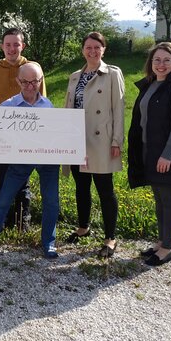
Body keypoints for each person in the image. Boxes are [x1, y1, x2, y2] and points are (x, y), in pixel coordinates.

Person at [0, 62, 60, 259]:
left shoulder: (49, 106)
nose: (30, 86)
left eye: (35, 81)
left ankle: (49, 243)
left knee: (52, 202)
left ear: (40, 81)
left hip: (48, 161)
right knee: (2, 201)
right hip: (20, 161)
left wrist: (74, 151)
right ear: (18, 81)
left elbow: (59, 136)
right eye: (25, 82)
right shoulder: (8, 106)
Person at [128, 42, 171, 266]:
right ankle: (161, 241)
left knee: (168, 198)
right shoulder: (152, 84)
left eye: (167, 60)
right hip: (151, 151)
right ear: (151, 63)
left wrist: (167, 155)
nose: (161, 64)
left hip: (169, 154)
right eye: (157, 60)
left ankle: (167, 248)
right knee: (158, 198)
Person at [63, 32, 125, 258]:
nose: (92, 51)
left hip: (101, 139)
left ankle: (110, 237)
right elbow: (68, 108)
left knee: (105, 189)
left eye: (97, 47)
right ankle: (83, 227)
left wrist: (117, 140)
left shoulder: (112, 74)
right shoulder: (74, 76)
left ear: (103, 50)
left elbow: (119, 109)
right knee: (81, 186)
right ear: (82, 50)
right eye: (88, 47)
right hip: (77, 138)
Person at [0, 28, 48, 231]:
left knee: (22, 180)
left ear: (22, 46)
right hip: (0, 136)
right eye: (7, 44)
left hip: (26, 136)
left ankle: (21, 222)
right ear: (2, 46)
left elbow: (43, 103)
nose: (12, 49)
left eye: (16, 44)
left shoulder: (33, 69)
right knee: (1, 180)